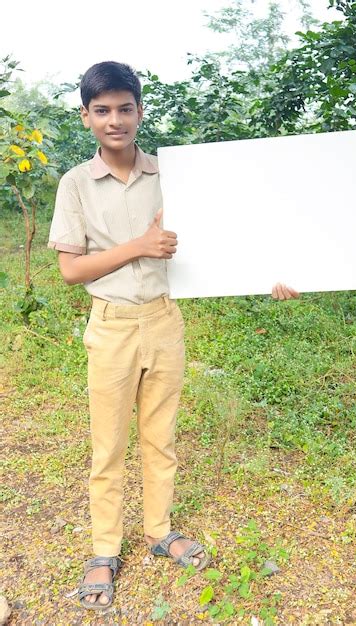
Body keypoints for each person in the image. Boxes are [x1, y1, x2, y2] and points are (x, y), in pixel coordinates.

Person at [47, 61, 299, 611]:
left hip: (163, 320)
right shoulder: (76, 184)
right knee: (108, 444)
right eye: (103, 110)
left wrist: (275, 275)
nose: (116, 120)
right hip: (111, 324)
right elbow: (71, 270)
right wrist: (140, 245)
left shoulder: (175, 176)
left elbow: (223, 244)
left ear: (140, 110)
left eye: (126, 108)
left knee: (160, 437)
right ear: (86, 116)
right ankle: (104, 549)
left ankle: (159, 530)